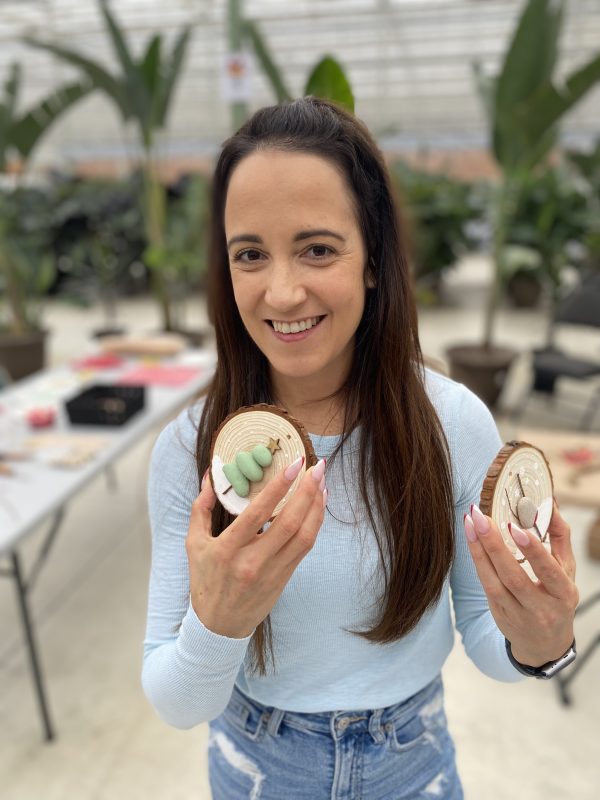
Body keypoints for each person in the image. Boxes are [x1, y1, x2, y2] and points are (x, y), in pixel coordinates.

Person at [142, 97, 578, 799]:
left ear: (374, 262)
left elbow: (485, 633)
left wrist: (543, 641)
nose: (282, 292)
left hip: (414, 760)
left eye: (317, 249)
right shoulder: (189, 450)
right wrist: (219, 622)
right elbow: (174, 699)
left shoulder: (454, 423)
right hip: (257, 768)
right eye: (250, 254)